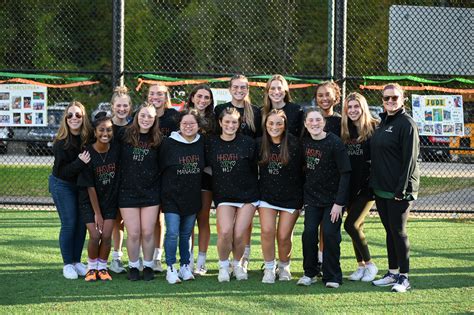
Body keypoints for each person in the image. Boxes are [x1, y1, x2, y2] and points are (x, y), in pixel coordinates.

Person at [370, 83, 420, 293]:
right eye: (386, 98)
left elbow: (410, 160)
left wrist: (401, 190)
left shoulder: (406, 124)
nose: (390, 101)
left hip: (399, 191)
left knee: (399, 232)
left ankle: (404, 277)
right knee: (389, 231)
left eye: (394, 98)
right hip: (381, 189)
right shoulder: (382, 123)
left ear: (402, 99)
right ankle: (392, 273)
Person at [297, 108, 351, 289]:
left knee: (330, 234)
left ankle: (333, 275)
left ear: (324, 122)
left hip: (333, 201)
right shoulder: (304, 143)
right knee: (309, 233)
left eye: (318, 120)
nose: (314, 123)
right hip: (312, 199)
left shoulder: (334, 143)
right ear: (305, 124)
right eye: (310, 120)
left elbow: (345, 173)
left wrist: (339, 203)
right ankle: (310, 273)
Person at [206, 108, 259, 282]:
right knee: (226, 232)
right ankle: (223, 266)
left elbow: (255, 168)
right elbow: (205, 166)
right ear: (220, 123)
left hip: (248, 195)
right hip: (224, 195)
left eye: (234, 122)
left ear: (239, 124)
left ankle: (237, 265)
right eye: (227, 122)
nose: (230, 125)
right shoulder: (211, 143)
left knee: (239, 233)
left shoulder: (248, 143)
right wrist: (221, 176)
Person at [214, 74, 262, 268]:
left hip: (246, 170)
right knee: (226, 228)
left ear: (248, 89)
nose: (239, 90)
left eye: (243, 87)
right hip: (226, 170)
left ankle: (242, 259)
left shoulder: (255, 112)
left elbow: (259, 140)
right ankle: (226, 263)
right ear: (230, 88)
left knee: (243, 226)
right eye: (236, 87)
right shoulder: (220, 110)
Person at [258, 109, 303, 284]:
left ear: (285, 125)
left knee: (284, 236)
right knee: (267, 231)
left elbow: (305, 170)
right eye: (270, 123)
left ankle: (284, 266)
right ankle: (269, 268)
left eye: (279, 123)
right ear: (265, 125)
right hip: (267, 196)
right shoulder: (259, 144)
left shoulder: (295, 144)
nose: (274, 127)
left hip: (291, 197)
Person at [159, 109, 205, 284]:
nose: (188, 126)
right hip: (171, 196)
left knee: (186, 234)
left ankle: (185, 266)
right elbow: (160, 168)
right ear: (179, 125)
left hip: (192, 196)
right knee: (172, 233)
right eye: (184, 123)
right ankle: (170, 267)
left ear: (198, 126)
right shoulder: (168, 143)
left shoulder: (202, 143)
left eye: (192, 123)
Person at [118, 103, 162, 281]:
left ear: (154, 119)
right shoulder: (124, 136)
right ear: (137, 117)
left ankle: (149, 266)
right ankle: (134, 266)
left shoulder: (159, 140)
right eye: (143, 115)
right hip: (127, 191)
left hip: (151, 191)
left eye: (150, 117)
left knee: (148, 231)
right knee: (134, 232)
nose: (146, 119)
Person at [49, 101, 92, 279]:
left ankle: (76, 261)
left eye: (78, 115)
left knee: (82, 223)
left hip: (80, 186)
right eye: (70, 115)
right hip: (62, 184)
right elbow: (63, 171)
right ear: (65, 119)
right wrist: (79, 163)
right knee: (69, 223)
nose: (74, 118)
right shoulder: (61, 142)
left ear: (83, 118)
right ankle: (67, 264)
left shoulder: (88, 137)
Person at [341, 92, 379, 282]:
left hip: (367, 188)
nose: (353, 110)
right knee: (358, 226)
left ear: (363, 108)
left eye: (357, 106)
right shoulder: (345, 130)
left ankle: (371, 264)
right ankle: (360, 266)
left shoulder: (374, 128)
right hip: (349, 187)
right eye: (350, 107)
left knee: (351, 224)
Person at [77, 112, 119, 282]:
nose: (105, 133)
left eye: (109, 130)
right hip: (90, 201)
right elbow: (90, 186)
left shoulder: (116, 150)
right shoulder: (88, 152)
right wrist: (97, 214)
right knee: (95, 235)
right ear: (95, 132)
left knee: (107, 236)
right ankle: (91, 268)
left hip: (110, 200)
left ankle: (102, 267)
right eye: (101, 130)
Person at [147, 83, 180, 272]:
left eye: (160, 93)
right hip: (147, 171)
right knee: (149, 219)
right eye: (152, 93)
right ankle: (148, 256)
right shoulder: (141, 114)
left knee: (161, 217)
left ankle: (158, 257)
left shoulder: (174, 116)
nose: (156, 97)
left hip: (169, 172)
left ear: (166, 95)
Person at [185, 85, 216, 275]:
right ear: (192, 97)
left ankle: (201, 262)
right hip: (185, 175)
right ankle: (186, 260)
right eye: (199, 96)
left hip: (206, 175)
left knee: (203, 219)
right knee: (188, 220)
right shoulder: (181, 118)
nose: (202, 100)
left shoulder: (214, 122)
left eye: (207, 97)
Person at [314, 80, 343, 271]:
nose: (324, 99)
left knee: (329, 227)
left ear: (336, 97)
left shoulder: (341, 122)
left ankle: (325, 260)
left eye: (328, 95)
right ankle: (315, 259)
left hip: (335, 182)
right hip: (313, 181)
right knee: (311, 228)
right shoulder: (310, 119)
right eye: (320, 95)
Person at [109, 86, 133, 274]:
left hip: (131, 179)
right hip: (110, 179)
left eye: (125, 105)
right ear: (112, 106)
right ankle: (115, 258)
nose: (122, 109)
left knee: (131, 222)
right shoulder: (105, 126)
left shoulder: (134, 127)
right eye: (119, 105)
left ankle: (137, 257)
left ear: (130, 107)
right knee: (115, 220)